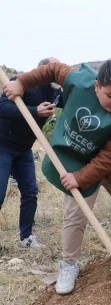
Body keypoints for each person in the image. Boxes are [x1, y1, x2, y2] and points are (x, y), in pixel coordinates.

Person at [3, 59, 111, 295]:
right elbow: (51, 68)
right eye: (110, 95)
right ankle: (69, 264)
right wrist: (21, 83)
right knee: (76, 215)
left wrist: (81, 178)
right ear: (96, 86)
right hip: (74, 157)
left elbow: (109, 157)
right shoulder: (77, 81)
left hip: (108, 162)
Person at [0, 57, 62, 250]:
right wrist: (35, 110)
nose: (55, 73)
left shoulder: (55, 91)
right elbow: (2, 106)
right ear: (41, 70)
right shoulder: (21, 81)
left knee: (30, 192)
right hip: (3, 145)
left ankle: (25, 237)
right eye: (52, 69)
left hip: (25, 148)